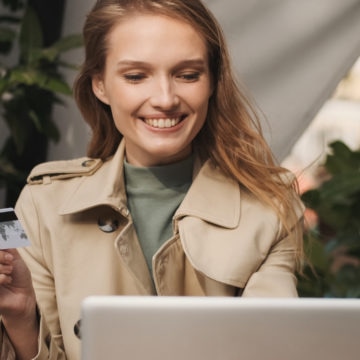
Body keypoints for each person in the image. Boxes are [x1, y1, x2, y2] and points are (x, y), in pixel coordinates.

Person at [0, 0, 305, 359]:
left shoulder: (269, 207)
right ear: (100, 84)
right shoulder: (43, 204)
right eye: (135, 76)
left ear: (212, 82)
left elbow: (272, 349)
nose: (165, 99)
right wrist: (20, 316)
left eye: (188, 75)